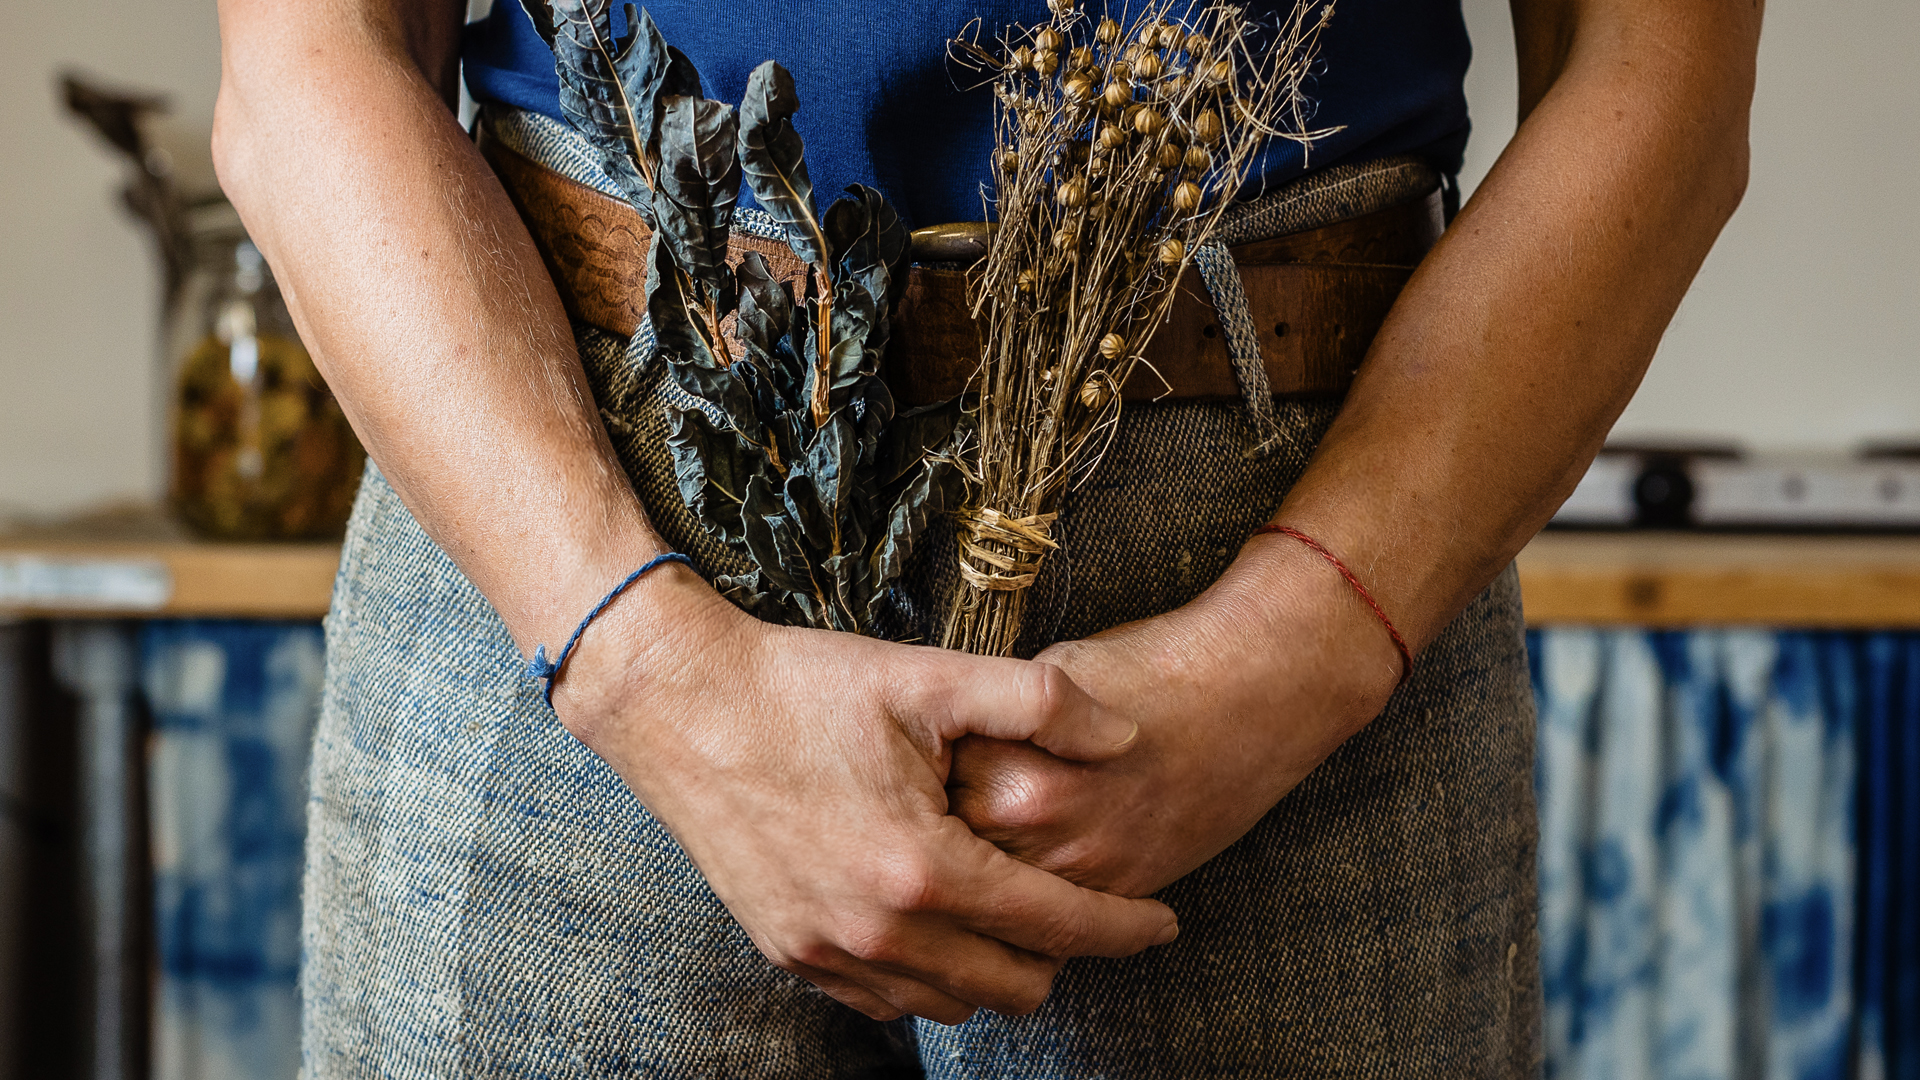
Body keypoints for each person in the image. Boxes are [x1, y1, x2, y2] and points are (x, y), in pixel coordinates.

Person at [211, 0, 1758, 1074]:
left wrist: (1301, 648)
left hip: (1289, 558)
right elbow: (304, 59)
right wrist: (636, 659)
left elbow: (1660, 76)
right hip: (562, 538)